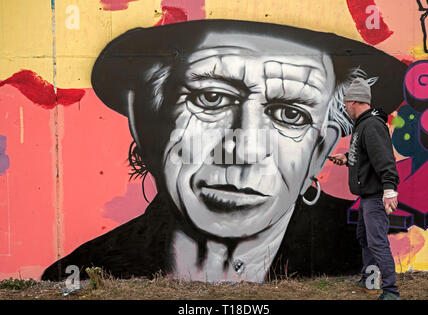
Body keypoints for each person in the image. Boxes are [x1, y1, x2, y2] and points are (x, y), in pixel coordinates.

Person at [41, 20, 406, 283]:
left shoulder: (356, 258)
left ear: (319, 149)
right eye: (211, 98)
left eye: (290, 114)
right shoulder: (90, 269)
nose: (243, 149)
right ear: (147, 124)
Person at [329, 77, 401, 300]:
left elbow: (385, 160)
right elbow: (366, 157)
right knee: (365, 237)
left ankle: (390, 291)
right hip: (366, 196)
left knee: (377, 241)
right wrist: (348, 159)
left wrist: (390, 190)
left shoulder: (371, 126)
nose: (345, 107)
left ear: (354, 102)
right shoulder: (362, 125)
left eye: (346, 103)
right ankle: (370, 281)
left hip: (375, 196)